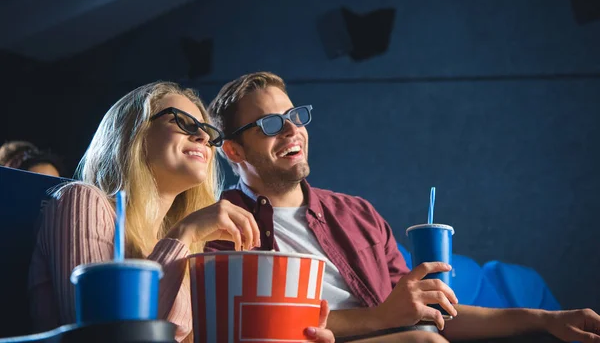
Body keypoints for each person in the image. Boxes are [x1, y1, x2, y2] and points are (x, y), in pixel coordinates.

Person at [205, 71, 600, 343]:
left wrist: (546, 319)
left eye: (294, 116)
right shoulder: (220, 228)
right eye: (271, 124)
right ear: (234, 149)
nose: (292, 129)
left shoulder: (356, 214)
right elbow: (250, 327)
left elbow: (423, 310)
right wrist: (383, 319)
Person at [28, 81, 334, 343]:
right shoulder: (83, 200)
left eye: (207, 132)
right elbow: (107, 336)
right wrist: (184, 234)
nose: (202, 137)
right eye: (183, 123)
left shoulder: (183, 242)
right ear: (134, 132)